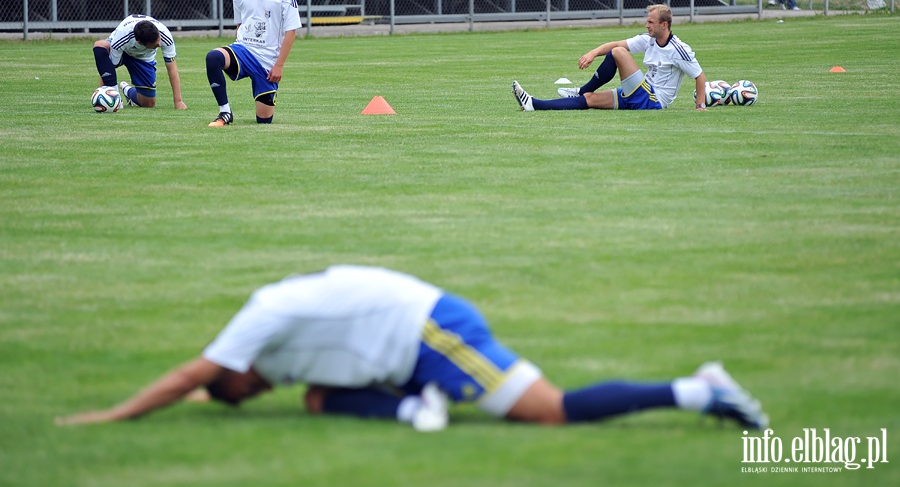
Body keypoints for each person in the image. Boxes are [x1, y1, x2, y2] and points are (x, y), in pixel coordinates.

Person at [56, 265, 768, 432]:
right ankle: (414, 408)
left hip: (434, 331)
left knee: (549, 411)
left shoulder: (255, 326)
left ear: (237, 375)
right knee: (318, 399)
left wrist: (110, 418)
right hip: (402, 349)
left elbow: (189, 375)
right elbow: (311, 389)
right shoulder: (275, 363)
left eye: (234, 393)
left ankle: (699, 389)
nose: (246, 397)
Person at [512, 4, 708, 112]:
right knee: (588, 99)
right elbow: (616, 43)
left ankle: (580, 90)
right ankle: (533, 104)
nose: (647, 25)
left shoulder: (679, 49)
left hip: (653, 100)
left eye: (651, 22)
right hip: (639, 93)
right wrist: (593, 52)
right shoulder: (648, 39)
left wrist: (700, 106)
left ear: (664, 25)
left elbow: (699, 76)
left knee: (618, 53)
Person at [205, 0, 302, 127]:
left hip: (267, 63)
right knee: (213, 57)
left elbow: (291, 32)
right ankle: (225, 112)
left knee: (264, 121)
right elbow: (240, 25)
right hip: (243, 51)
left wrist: (279, 66)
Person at [92, 14, 186, 109]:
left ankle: (127, 90)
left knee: (148, 103)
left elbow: (172, 68)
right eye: (155, 45)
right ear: (140, 43)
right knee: (100, 46)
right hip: (122, 51)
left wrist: (178, 101)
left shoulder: (165, 35)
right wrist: (105, 95)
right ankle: (114, 98)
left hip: (143, 58)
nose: (159, 44)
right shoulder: (122, 36)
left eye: (159, 39)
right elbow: (109, 67)